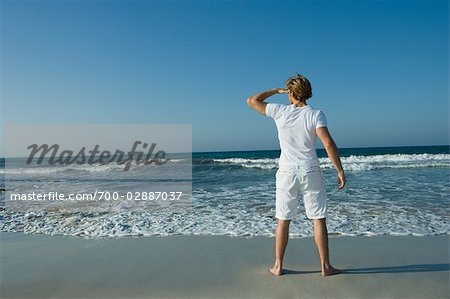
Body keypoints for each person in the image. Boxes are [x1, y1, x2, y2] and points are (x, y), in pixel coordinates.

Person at [246, 73, 346, 277]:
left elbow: (252, 101)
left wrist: (275, 91)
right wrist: (340, 170)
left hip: (287, 172)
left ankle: (278, 266)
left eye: (288, 92)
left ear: (291, 92)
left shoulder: (280, 111)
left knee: (283, 219)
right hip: (310, 170)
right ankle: (325, 267)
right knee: (318, 218)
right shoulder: (316, 114)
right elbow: (328, 143)